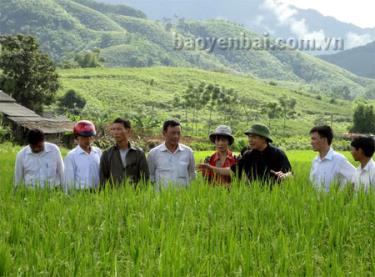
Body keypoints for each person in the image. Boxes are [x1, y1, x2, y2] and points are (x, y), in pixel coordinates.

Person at [199, 123, 292, 185]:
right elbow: (232, 171)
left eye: (254, 137)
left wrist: (285, 176)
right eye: (249, 137)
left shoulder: (278, 153)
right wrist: (211, 168)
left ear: (264, 139)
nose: (250, 140)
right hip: (253, 195)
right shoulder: (249, 155)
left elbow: (290, 173)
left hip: (274, 195)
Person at [100, 118, 149, 186]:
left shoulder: (139, 153)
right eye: (113, 129)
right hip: (113, 194)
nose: (116, 132)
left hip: (134, 194)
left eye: (119, 129)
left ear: (128, 131)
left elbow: (145, 177)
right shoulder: (107, 154)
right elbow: (103, 177)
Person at [147, 119, 195, 189]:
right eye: (173, 133)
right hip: (161, 197)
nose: (176, 136)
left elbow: (192, 174)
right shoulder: (153, 153)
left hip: (183, 197)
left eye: (178, 133)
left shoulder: (188, 152)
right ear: (164, 133)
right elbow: (151, 177)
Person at [309, 125, 355, 191]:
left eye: (314, 139)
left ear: (324, 140)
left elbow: (356, 179)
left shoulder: (339, 159)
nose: (311, 142)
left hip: (333, 200)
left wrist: (346, 197)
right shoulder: (315, 161)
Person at [63, 120, 102, 191]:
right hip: (80, 193)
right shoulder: (71, 156)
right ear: (77, 137)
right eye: (84, 137)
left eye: (90, 137)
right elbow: (68, 180)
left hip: (97, 192)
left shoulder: (98, 152)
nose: (88, 140)